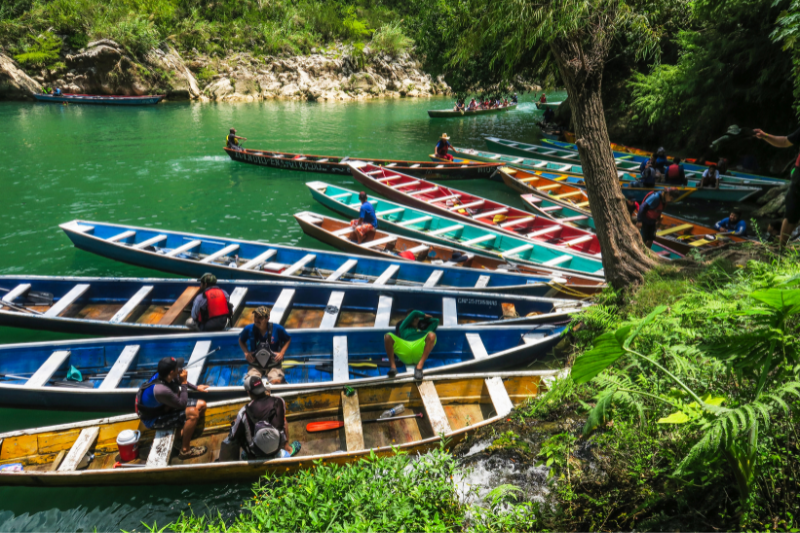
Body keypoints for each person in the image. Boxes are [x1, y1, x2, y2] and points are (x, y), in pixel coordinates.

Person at [135, 356, 210, 459]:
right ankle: (185, 451)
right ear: (171, 372)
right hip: (154, 419)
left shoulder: (164, 375)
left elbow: (177, 380)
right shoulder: (160, 390)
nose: (180, 369)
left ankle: (178, 436)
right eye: (177, 368)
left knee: (202, 405)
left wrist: (196, 387)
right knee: (193, 413)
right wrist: (184, 383)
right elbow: (182, 403)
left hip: (164, 407)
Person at [228, 376, 301, 460]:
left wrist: (235, 423)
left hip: (255, 452)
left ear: (248, 392)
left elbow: (232, 436)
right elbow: (282, 424)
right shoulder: (279, 401)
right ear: (263, 387)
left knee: (239, 428)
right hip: (277, 448)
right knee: (284, 420)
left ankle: (250, 457)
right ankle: (287, 448)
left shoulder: (244, 411)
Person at [754, 126, 800, 246]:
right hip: (798, 177)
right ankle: (782, 248)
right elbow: (784, 141)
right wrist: (765, 136)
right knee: (791, 211)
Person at [239, 306, 292, 385]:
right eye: (255, 317)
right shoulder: (248, 329)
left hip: (273, 364)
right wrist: (246, 353)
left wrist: (282, 353)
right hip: (255, 364)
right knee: (252, 383)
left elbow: (288, 339)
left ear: (267, 318)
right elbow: (241, 340)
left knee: (276, 383)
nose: (256, 320)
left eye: (260, 318)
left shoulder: (278, 329)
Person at [384, 310, 439, 380]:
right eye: (411, 318)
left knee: (432, 335)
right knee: (387, 336)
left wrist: (421, 319)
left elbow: (436, 321)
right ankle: (393, 367)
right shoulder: (403, 328)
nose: (414, 319)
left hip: (418, 351)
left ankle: (419, 366)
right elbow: (414, 313)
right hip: (405, 350)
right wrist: (422, 315)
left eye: (416, 318)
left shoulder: (423, 331)